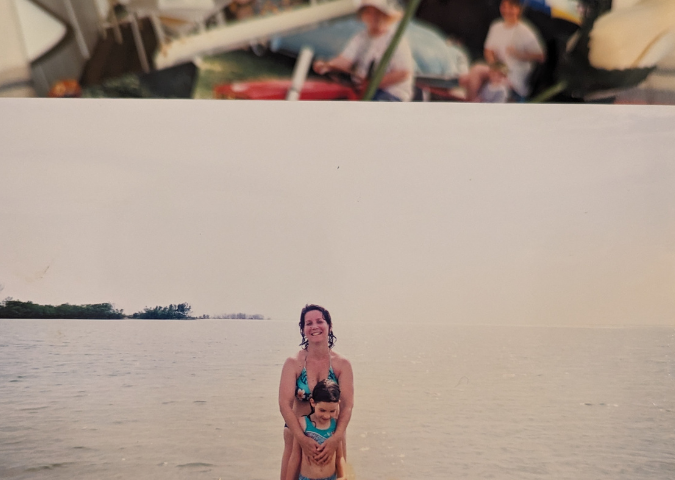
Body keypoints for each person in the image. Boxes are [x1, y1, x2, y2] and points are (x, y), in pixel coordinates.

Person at [279, 305, 354, 480]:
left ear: (329, 325)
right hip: (297, 436)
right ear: (303, 329)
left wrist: (336, 439)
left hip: (332, 436)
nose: (314, 326)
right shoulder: (293, 363)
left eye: (320, 321)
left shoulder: (342, 364)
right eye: (308, 323)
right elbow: (284, 404)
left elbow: (348, 406)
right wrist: (302, 439)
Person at [312, 0, 415, 101]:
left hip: (390, 94)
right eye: (369, 12)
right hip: (362, 89)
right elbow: (345, 60)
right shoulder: (361, 37)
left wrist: (373, 84)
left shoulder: (395, 40)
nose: (374, 17)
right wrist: (327, 65)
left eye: (378, 13)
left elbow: (404, 72)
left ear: (387, 16)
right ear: (364, 15)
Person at [460, 0, 545, 101]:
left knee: (494, 87)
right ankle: (472, 102)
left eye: (511, 7)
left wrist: (520, 54)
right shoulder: (496, 26)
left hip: (514, 74)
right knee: (472, 73)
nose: (507, 10)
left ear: (519, 9)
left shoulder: (526, 31)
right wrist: (494, 65)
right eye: (504, 7)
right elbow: (488, 50)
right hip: (498, 68)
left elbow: (541, 57)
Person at [290, 380, 346, 480]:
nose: (326, 415)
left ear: (338, 404)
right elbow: (295, 458)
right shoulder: (302, 424)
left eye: (332, 411)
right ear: (312, 402)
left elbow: (339, 457)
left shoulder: (336, 426)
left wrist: (342, 476)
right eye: (322, 410)